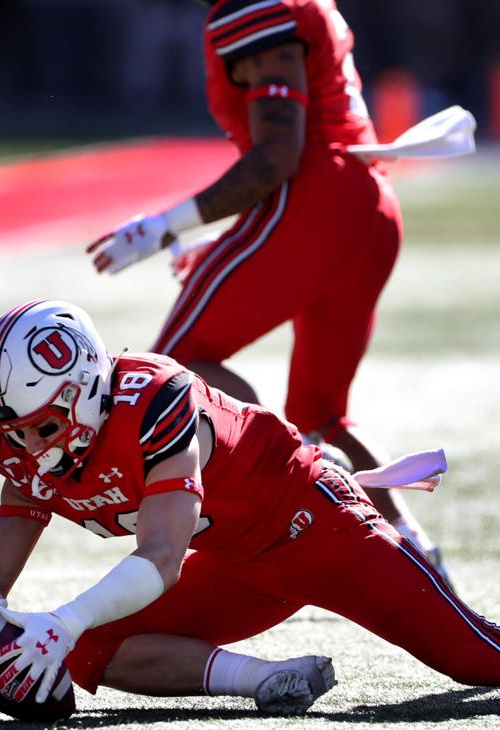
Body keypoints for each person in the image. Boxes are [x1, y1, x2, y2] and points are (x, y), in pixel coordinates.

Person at [0, 300, 500, 715]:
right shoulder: (21, 441)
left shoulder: (154, 400)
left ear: (86, 393)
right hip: (238, 559)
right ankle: (269, 682)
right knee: (97, 651)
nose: (26, 445)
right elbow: (10, 534)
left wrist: (61, 619)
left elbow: (159, 557)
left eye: (41, 425)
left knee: (479, 657)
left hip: (312, 521)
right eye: (12, 430)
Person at [85, 0, 448, 575]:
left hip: (316, 202)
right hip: (365, 205)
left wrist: (165, 226)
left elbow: (279, 154)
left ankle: (297, 481)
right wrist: (244, 235)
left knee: (173, 371)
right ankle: (415, 555)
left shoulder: (254, 9)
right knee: (321, 414)